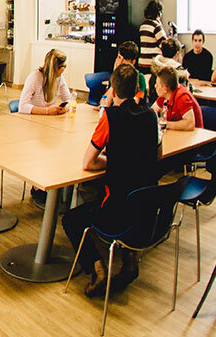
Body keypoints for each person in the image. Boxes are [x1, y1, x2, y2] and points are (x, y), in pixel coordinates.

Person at [61, 63, 162, 296]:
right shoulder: (151, 115)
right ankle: (129, 257)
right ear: (137, 89)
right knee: (131, 193)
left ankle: (97, 268)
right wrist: (125, 158)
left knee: (71, 220)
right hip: (148, 211)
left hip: (117, 212)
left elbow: (88, 163)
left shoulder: (111, 118)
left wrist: (114, 159)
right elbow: (157, 155)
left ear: (112, 91)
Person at [19, 49, 70, 116]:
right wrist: (47, 111)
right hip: (33, 117)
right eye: (63, 66)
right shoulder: (34, 78)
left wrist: (66, 107)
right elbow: (22, 107)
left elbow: (68, 99)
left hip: (48, 118)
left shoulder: (59, 77)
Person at [153, 65, 200, 131]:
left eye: (157, 84)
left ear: (165, 89)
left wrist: (164, 123)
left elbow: (190, 124)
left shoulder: (182, 97)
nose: (155, 86)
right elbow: (152, 111)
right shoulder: (165, 95)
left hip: (192, 135)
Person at [137, 0, 165, 64]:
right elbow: (164, 44)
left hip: (142, 61)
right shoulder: (156, 26)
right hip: (152, 62)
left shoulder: (143, 25)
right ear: (159, 12)